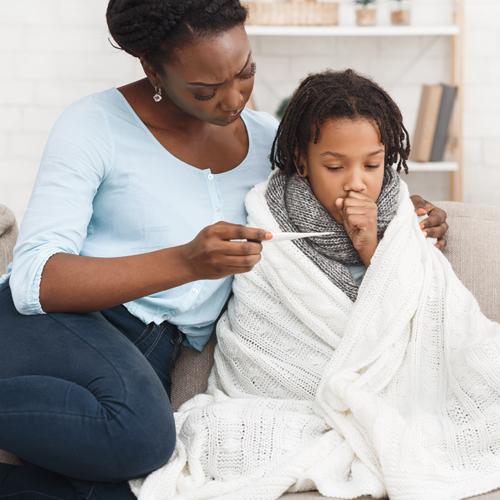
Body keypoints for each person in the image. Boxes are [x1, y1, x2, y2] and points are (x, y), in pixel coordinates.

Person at [0, 1, 449, 498]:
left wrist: (400, 213)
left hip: (153, 348)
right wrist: (185, 262)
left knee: (139, 488)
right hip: (58, 323)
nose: (233, 99)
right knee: (145, 439)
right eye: (204, 90)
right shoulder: (95, 125)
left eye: (245, 73)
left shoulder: (271, 142)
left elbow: (332, 197)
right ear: (153, 69)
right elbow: (35, 279)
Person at [133, 69, 500, 500]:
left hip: (396, 395)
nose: (357, 181)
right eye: (335, 166)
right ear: (302, 160)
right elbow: (262, 333)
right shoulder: (268, 219)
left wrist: (370, 244)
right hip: (289, 401)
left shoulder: (403, 217)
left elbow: (423, 318)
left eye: (372, 164)